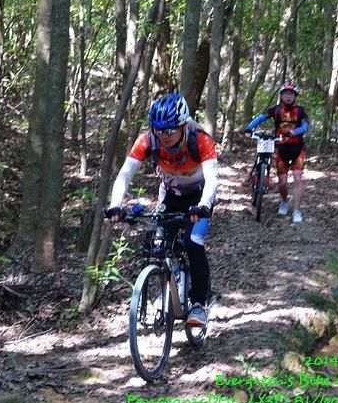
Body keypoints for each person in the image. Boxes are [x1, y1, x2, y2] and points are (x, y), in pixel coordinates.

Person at [104, 93, 219, 326]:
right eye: (158, 129)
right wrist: (116, 204)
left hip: (198, 196)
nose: (163, 135)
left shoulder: (200, 140)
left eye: (169, 130)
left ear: (183, 125)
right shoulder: (148, 140)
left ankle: (199, 303)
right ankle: (171, 284)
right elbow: (125, 173)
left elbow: (212, 178)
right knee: (159, 245)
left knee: (193, 242)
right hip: (170, 194)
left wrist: (204, 206)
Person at [243, 82, 309, 224]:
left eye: (291, 94)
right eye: (285, 93)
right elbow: (261, 118)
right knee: (282, 183)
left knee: (298, 179)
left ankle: (296, 211)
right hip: (280, 148)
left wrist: (295, 132)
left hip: (297, 149)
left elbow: (305, 126)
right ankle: (284, 201)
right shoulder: (275, 109)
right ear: (281, 95)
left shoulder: (301, 110)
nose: (288, 96)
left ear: (295, 96)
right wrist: (249, 128)